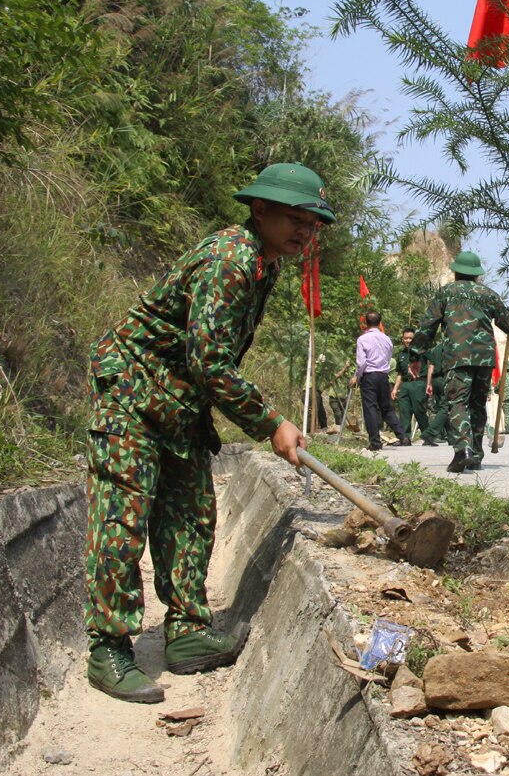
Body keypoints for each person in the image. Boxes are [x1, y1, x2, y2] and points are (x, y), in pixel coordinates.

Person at [83, 162, 331, 703]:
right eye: (296, 219)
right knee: (121, 518)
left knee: (191, 513)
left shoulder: (265, 263)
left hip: (178, 400)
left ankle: (188, 632)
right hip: (132, 389)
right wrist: (270, 422)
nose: (305, 233)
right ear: (259, 210)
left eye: (313, 225)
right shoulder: (230, 259)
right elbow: (211, 361)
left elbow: (205, 363)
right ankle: (108, 648)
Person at [412, 251, 509, 473]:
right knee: (478, 404)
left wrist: (415, 355)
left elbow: (427, 326)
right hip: (485, 358)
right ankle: (476, 456)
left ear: (456, 272)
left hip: (457, 357)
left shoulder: (446, 292)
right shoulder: (489, 295)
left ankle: (463, 451)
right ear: (477, 275)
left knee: (457, 402)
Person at [353, 311, 411, 451]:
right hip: (383, 376)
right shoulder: (387, 339)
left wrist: (357, 376)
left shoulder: (363, 339)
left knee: (370, 408)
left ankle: (375, 442)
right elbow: (388, 357)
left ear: (365, 323)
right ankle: (403, 436)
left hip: (369, 376)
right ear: (380, 323)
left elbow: (361, 363)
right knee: (386, 408)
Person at [391, 326, 431, 442]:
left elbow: (431, 366)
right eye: (405, 338)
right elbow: (399, 373)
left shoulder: (421, 352)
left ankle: (427, 435)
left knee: (419, 410)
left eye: (410, 338)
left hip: (418, 383)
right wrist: (395, 389)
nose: (408, 340)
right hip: (405, 385)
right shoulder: (401, 355)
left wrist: (429, 383)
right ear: (402, 340)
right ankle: (405, 438)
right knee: (404, 410)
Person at [421, 340, 448, 446]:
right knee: (446, 408)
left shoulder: (436, 348)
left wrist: (429, 383)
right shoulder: (449, 347)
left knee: (441, 407)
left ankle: (450, 436)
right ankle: (429, 432)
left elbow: (431, 367)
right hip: (444, 378)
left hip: (435, 380)